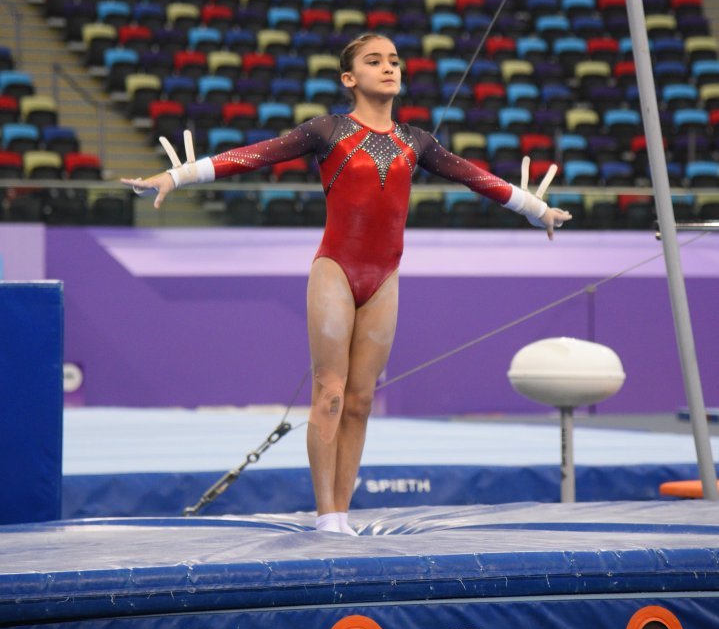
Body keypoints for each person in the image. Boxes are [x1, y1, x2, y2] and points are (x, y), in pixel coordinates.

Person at [123, 33, 571, 534]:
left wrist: (536, 210)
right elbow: (258, 154)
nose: (389, 68)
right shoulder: (329, 130)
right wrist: (179, 177)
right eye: (374, 61)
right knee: (330, 392)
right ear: (349, 78)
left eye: (395, 61)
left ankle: (343, 511)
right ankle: (325, 514)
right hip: (336, 269)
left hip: (384, 278)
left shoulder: (415, 141)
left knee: (360, 399)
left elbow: (474, 176)